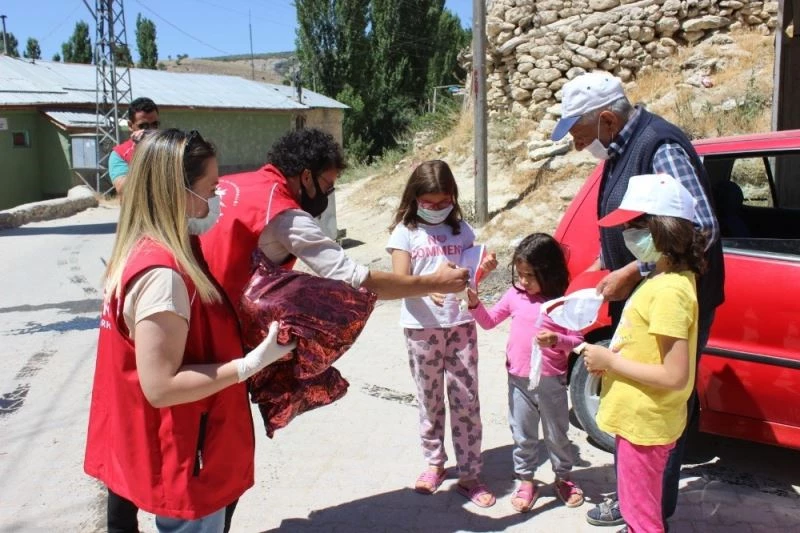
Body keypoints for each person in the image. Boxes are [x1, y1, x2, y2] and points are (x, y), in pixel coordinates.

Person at [84, 129, 295, 533]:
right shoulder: (163, 276)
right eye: (212, 188)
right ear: (177, 191)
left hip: (178, 442)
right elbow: (161, 386)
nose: (217, 200)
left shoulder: (142, 249)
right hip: (188, 450)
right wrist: (250, 364)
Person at [551, 71, 724, 530]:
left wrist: (637, 269)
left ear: (608, 119)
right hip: (646, 289)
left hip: (662, 291)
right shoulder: (621, 147)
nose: (576, 145)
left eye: (580, 134)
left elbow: (699, 228)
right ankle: (636, 501)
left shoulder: (660, 146)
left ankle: (648, 510)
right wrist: (607, 264)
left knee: (661, 415)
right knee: (640, 414)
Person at [199, 128, 469, 319]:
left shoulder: (231, 182)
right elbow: (356, 279)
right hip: (218, 319)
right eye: (328, 184)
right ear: (307, 176)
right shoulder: (285, 215)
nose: (328, 194)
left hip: (189, 306)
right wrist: (436, 282)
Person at [580, 173, 706, 533]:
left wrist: (610, 361)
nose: (627, 236)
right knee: (641, 507)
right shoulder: (669, 277)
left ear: (662, 230)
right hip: (643, 420)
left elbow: (674, 375)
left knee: (641, 516)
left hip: (645, 424)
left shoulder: (668, 291)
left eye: (635, 226)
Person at [386, 160, 496, 508]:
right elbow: (400, 283)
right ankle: (434, 463)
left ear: (453, 196)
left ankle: (470, 474)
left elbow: (468, 279)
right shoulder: (405, 232)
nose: (435, 209)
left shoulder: (462, 230)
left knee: (466, 399)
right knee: (430, 400)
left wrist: (483, 271)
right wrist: (426, 287)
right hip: (422, 329)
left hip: (460, 325)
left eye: (442, 201)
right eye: (429, 203)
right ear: (415, 197)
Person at [466, 233, 585, 513]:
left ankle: (563, 478)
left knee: (557, 434)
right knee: (523, 433)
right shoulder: (515, 295)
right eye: (519, 275)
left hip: (551, 380)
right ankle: (526, 479)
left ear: (548, 272)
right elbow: (489, 321)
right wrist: (474, 304)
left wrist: (557, 340)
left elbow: (578, 341)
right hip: (518, 380)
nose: (523, 281)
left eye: (529, 276)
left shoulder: (563, 303)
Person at [109, 97, 161, 194]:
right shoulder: (120, 154)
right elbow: (122, 188)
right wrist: (141, 153)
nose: (150, 131)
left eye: (155, 125)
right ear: (130, 126)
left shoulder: (167, 148)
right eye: (143, 126)